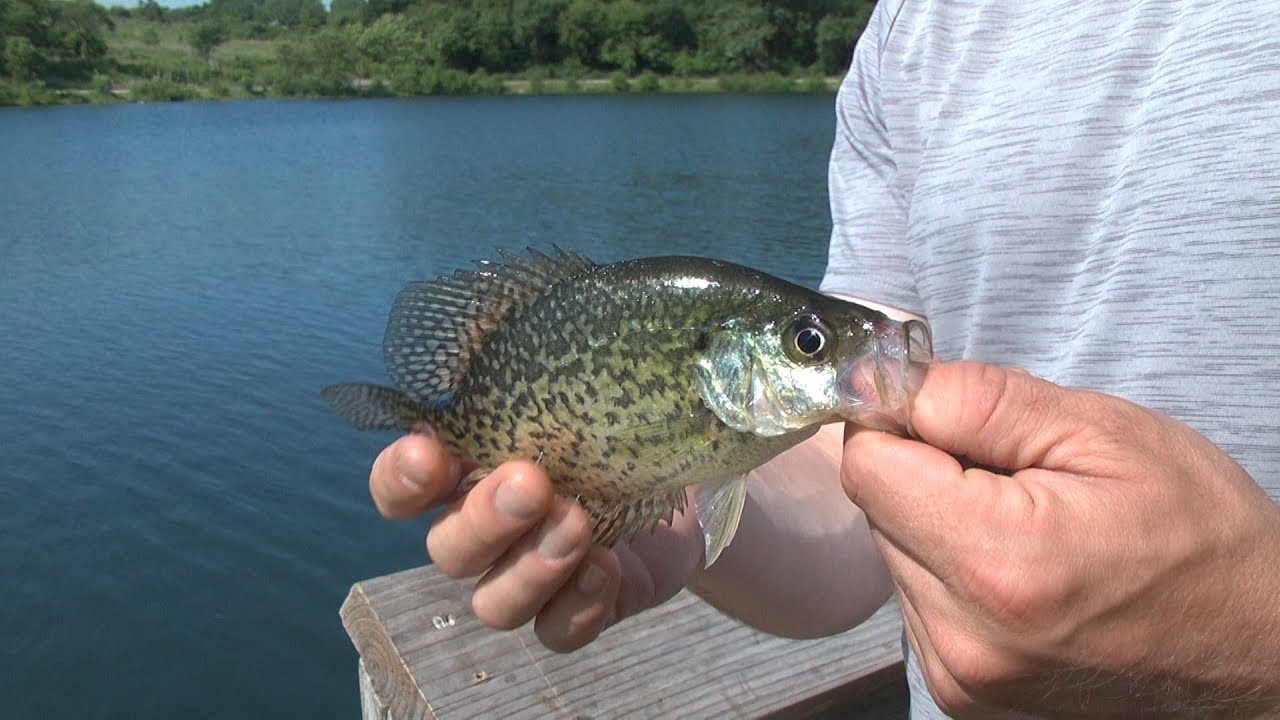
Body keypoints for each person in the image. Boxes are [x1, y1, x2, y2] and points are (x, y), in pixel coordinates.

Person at [362, 1, 1280, 716]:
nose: (868, 354)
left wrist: (1253, 638)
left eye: (813, 339)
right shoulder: (914, 29)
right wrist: (675, 506)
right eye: (813, 340)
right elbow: (852, 477)